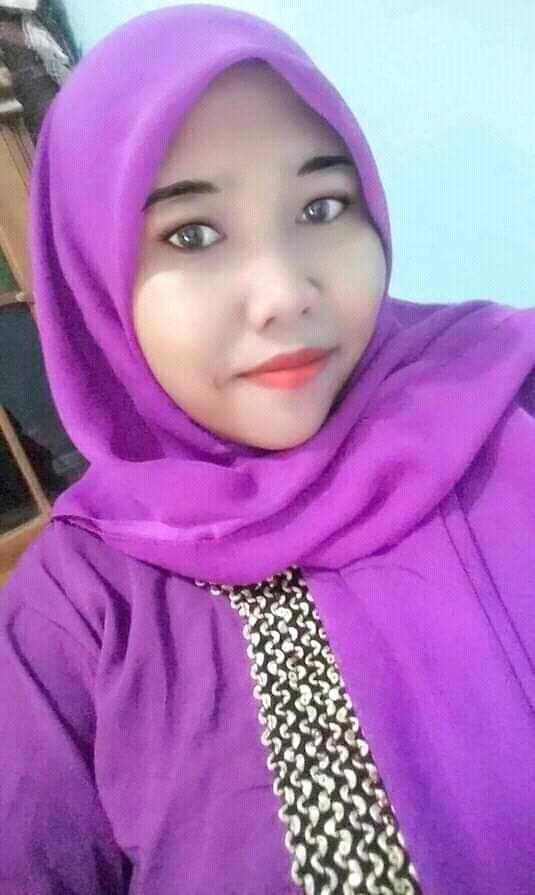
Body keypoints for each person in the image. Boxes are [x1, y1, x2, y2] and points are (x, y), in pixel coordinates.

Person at [1, 4, 534, 893]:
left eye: (321, 207)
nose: (285, 293)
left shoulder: (501, 395)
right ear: (91, 275)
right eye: (192, 233)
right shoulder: (72, 619)